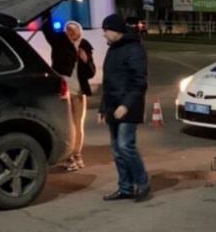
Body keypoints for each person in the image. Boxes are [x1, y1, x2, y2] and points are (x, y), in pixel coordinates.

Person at [98, 13, 150, 202]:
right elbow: (108, 81)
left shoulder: (134, 49)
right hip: (113, 106)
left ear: (116, 30)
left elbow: (139, 82)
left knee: (125, 146)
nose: (104, 34)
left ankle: (142, 182)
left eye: (106, 30)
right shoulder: (113, 49)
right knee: (116, 150)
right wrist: (103, 109)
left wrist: (126, 105)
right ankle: (125, 188)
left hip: (128, 107)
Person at [42, 14, 96, 172]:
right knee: (66, 126)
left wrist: (85, 61)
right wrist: (47, 13)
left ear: (79, 31)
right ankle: (69, 157)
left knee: (78, 125)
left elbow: (91, 73)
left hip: (79, 92)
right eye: (67, 30)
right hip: (63, 92)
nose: (70, 32)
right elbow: (48, 31)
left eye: (73, 30)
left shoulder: (85, 46)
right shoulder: (59, 42)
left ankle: (77, 156)